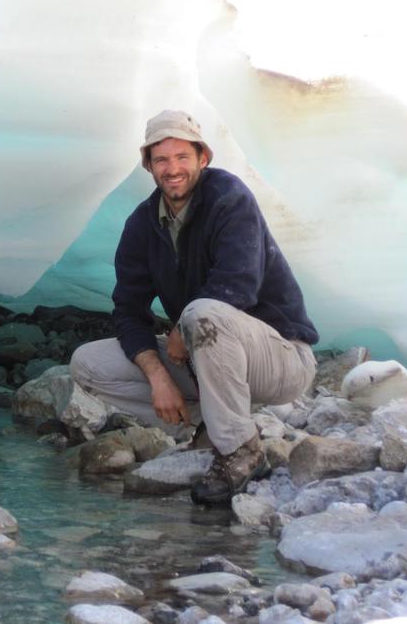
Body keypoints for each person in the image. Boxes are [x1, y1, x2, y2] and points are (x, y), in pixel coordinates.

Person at [69, 109, 319, 506]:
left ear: (203, 158)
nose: (172, 169)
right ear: (148, 165)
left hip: (280, 356)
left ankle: (240, 451)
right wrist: (157, 376)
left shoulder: (228, 198)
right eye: (161, 159)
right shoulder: (142, 224)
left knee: (202, 314)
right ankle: (210, 426)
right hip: (208, 354)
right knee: (87, 362)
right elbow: (128, 310)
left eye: (182, 156)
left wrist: (180, 330)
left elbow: (238, 286)